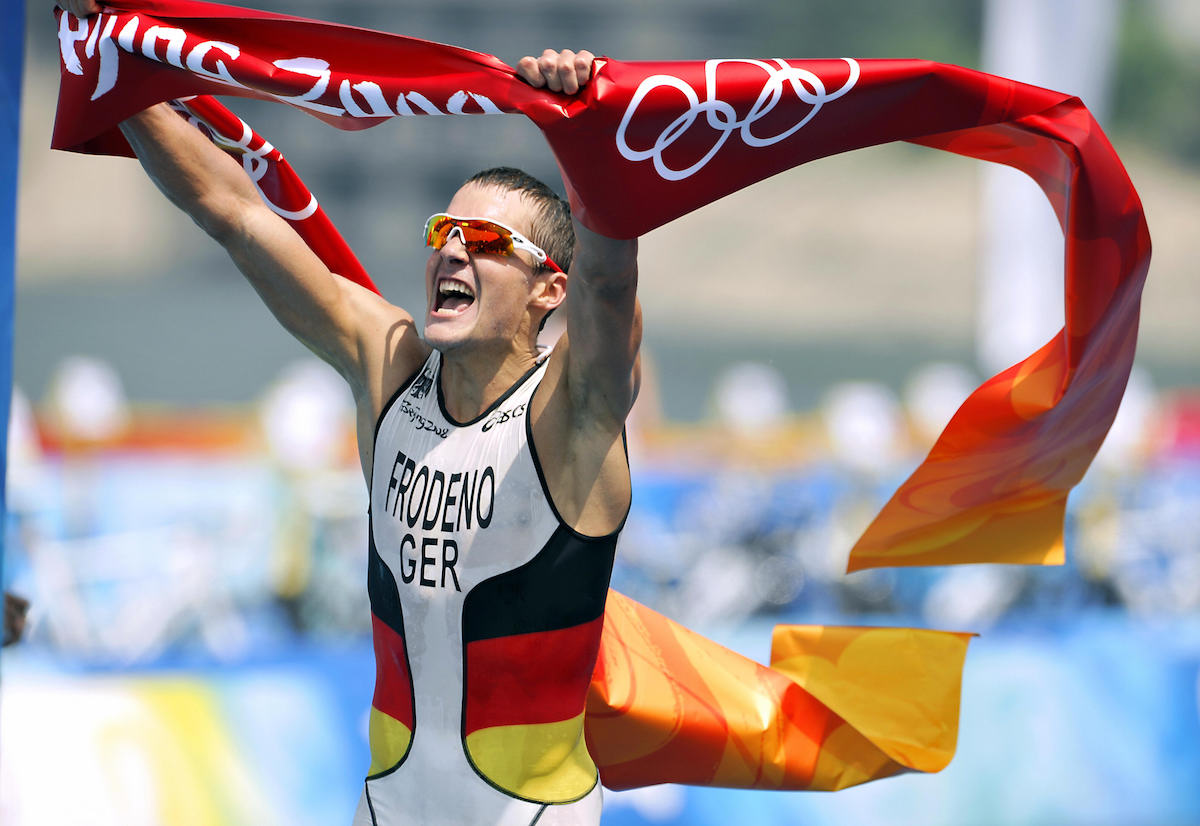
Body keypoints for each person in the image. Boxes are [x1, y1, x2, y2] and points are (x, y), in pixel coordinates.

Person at [57, 2, 639, 823]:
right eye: (445, 230)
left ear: (550, 289)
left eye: (484, 239)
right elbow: (237, 211)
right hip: (384, 807)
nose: (451, 250)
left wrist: (588, 137)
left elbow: (611, 284)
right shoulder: (388, 369)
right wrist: (116, 70)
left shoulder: (571, 415)